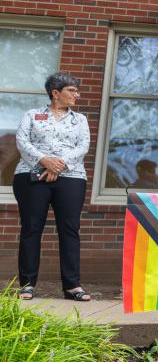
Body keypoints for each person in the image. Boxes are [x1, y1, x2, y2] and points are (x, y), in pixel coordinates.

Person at [13, 72, 91, 301]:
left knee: (69, 229)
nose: (76, 94)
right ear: (55, 93)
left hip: (71, 176)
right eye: (71, 90)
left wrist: (58, 165)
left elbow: (83, 146)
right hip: (31, 175)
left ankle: (72, 286)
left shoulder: (80, 120)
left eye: (77, 90)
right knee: (31, 227)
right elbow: (22, 141)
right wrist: (44, 160)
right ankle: (27, 285)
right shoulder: (32, 115)